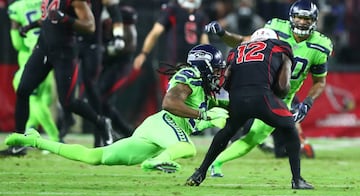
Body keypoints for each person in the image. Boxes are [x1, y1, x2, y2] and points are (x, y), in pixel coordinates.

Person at [4, 44, 229, 173]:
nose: (219, 74)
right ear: (204, 66)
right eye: (217, 69)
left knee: (94, 157)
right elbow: (169, 103)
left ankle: (33, 140)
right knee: (187, 148)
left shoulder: (201, 87)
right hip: (164, 124)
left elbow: (213, 104)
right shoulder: (189, 77)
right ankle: (159, 161)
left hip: (155, 134)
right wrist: (203, 114)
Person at [203, 0, 332, 179]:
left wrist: (307, 103)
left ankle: (216, 162)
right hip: (260, 85)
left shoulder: (320, 45)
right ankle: (206, 117)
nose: (302, 22)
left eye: (307, 18)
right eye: (298, 17)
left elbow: (319, 81)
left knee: (254, 136)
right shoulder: (276, 28)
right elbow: (244, 42)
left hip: (283, 96)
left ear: (315, 20)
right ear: (291, 18)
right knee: (234, 125)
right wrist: (223, 34)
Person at [186, 28, 313, 189]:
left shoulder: (236, 51)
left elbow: (227, 83)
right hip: (263, 97)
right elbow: (282, 88)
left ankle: (200, 172)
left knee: (227, 131)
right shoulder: (280, 46)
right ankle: (297, 180)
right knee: (289, 126)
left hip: (238, 99)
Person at [4, 0, 114, 155]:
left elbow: (90, 26)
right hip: (43, 48)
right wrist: (31, 26)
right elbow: (49, 19)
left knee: (68, 102)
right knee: (23, 89)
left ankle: (102, 122)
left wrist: (66, 18)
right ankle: (19, 143)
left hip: (65, 53)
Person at [58, 0, 129, 147]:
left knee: (91, 87)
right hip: (70, 42)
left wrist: (118, 36)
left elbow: (115, 12)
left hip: (92, 43)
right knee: (65, 86)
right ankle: (66, 121)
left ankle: (100, 135)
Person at [0, 0, 60, 156]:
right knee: (37, 101)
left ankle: (54, 138)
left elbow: (17, 44)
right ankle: (27, 136)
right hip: (48, 52)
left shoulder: (16, 7)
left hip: (33, 56)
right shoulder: (45, 2)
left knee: (32, 99)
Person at [133, 0, 209, 98]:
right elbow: (155, 32)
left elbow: (205, 41)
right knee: (170, 98)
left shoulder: (201, 16)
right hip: (173, 65)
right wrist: (143, 53)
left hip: (193, 68)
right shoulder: (172, 10)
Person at [98, 5, 139, 140]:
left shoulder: (127, 31)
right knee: (102, 102)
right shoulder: (109, 24)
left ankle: (124, 132)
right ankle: (123, 132)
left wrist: (104, 50)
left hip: (120, 69)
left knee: (103, 101)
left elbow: (123, 50)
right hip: (110, 68)